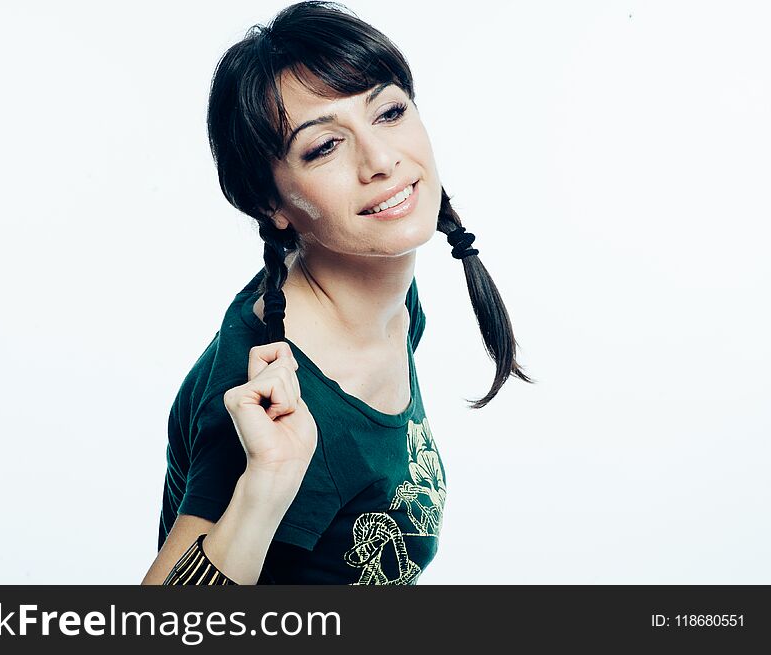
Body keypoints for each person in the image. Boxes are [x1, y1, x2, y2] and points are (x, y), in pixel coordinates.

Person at [141, 0, 531, 586]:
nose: (380, 160)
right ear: (270, 203)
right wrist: (267, 482)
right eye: (324, 147)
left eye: (390, 112)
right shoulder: (272, 392)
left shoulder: (383, 291)